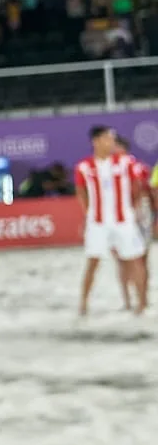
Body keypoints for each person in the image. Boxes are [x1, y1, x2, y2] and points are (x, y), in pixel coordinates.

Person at [76, 126, 149, 317]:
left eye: (113, 139)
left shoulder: (125, 162)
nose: (112, 143)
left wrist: (134, 209)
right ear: (96, 141)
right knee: (93, 261)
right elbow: (81, 191)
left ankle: (141, 304)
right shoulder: (84, 166)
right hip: (98, 222)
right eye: (108, 139)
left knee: (134, 260)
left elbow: (137, 185)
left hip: (123, 220)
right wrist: (87, 214)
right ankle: (83, 304)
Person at [113, 135, 151, 312]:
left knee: (140, 259)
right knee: (122, 260)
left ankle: (141, 299)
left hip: (136, 215)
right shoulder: (107, 168)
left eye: (115, 147)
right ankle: (129, 301)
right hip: (119, 216)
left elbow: (144, 193)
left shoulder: (136, 167)